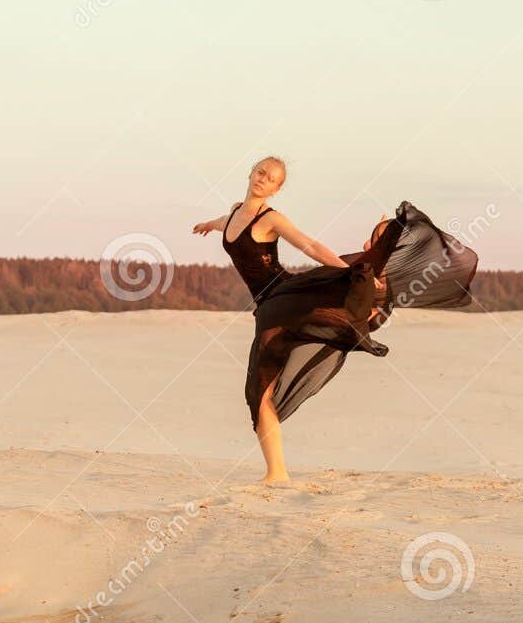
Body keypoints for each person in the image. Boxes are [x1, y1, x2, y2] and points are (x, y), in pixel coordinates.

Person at [193, 156, 478, 482]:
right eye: (260, 172)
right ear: (250, 172)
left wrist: (348, 270)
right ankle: (277, 473)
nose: (263, 179)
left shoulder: (272, 219)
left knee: (260, 389)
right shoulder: (232, 214)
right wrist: (207, 224)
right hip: (269, 306)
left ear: (277, 188)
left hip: (283, 297)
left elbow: (309, 245)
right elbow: (223, 224)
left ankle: (369, 287)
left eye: (271, 178)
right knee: (260, 392)